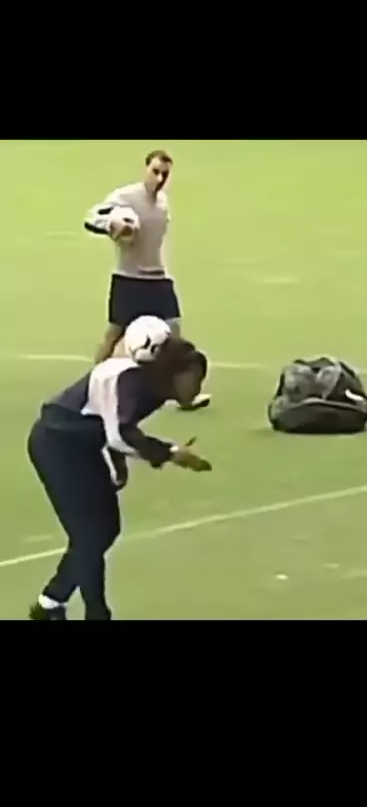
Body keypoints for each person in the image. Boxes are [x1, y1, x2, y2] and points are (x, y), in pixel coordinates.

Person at [27, 316, 212, 621]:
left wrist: (118, 460)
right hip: (57, 445)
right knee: (90, 536)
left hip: (83, 445)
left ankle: (50, 603)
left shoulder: (154, 385)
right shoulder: (130, 379)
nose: (195, 387)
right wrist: (171, 453)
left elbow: (109, 421)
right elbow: (119, 434)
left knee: (104, 531)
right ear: (171, 370)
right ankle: (96, 614)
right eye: (190, 378)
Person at [84, 147, 211, 411]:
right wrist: (113, 226)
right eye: (155, 172)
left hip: (158, 278)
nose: (160, 178)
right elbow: (91, 218)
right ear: (146, 169)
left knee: (174, 334)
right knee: (114, 335)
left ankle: (185, 395)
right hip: (129, 279)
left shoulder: (163, 202)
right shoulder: (125, 198)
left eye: (165, 174)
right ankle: (90, 389)